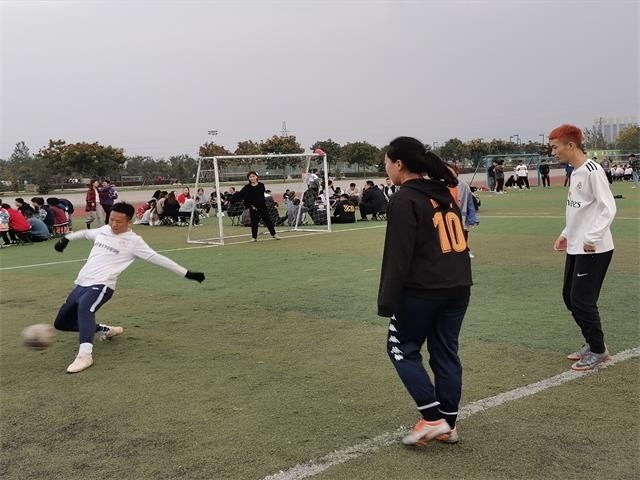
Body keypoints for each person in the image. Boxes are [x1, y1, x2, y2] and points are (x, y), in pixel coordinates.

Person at [378, 136, 472, 446]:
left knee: (400, 348)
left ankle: (433, 419)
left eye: (387, 163)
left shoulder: (405, 199)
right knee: (445, 354)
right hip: (458, 286)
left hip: (423, 290)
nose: (386, 169)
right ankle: (449, 424)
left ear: (399, 164)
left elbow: (398, 255)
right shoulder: (444, 192)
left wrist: (387, 301)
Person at [52, 202, 205, 374]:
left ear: (129, 222)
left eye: (119, 221)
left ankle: (85, 356)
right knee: (61, 323)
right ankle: (105, 329)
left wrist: (187, 273)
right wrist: (65, 239)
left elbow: (158, 258)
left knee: (85, 309)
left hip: (103, 285)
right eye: (111, 220)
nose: (114, 224)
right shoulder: (103, 230)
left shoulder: (134, 242)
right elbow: (85, 233)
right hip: (82, 283)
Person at [550, 124, 616, 371]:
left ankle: (599, 350)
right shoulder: (575, 172)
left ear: (571, 145)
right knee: (570, 296)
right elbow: (579, 210)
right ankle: (593, 343)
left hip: (594, 248)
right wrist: (566, 233)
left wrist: (592, 237)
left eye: (556, 147)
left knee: (582, 300)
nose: (553, 152)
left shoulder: (592, 170)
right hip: (577, 246)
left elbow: (607, 207)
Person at [233, 172, 279, 241]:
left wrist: (258, 206)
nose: (252, 178)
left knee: (267, 220)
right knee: (254, 222)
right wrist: (231, 198)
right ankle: (254, 237)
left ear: (256, 177)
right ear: (248, 178)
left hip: (262, 206)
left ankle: (274, 234)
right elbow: (243, 196)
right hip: (253, 207)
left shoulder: (261, 185)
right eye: (250, 177)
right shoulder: (247, 187)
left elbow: (259, 196)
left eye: (253, 176)